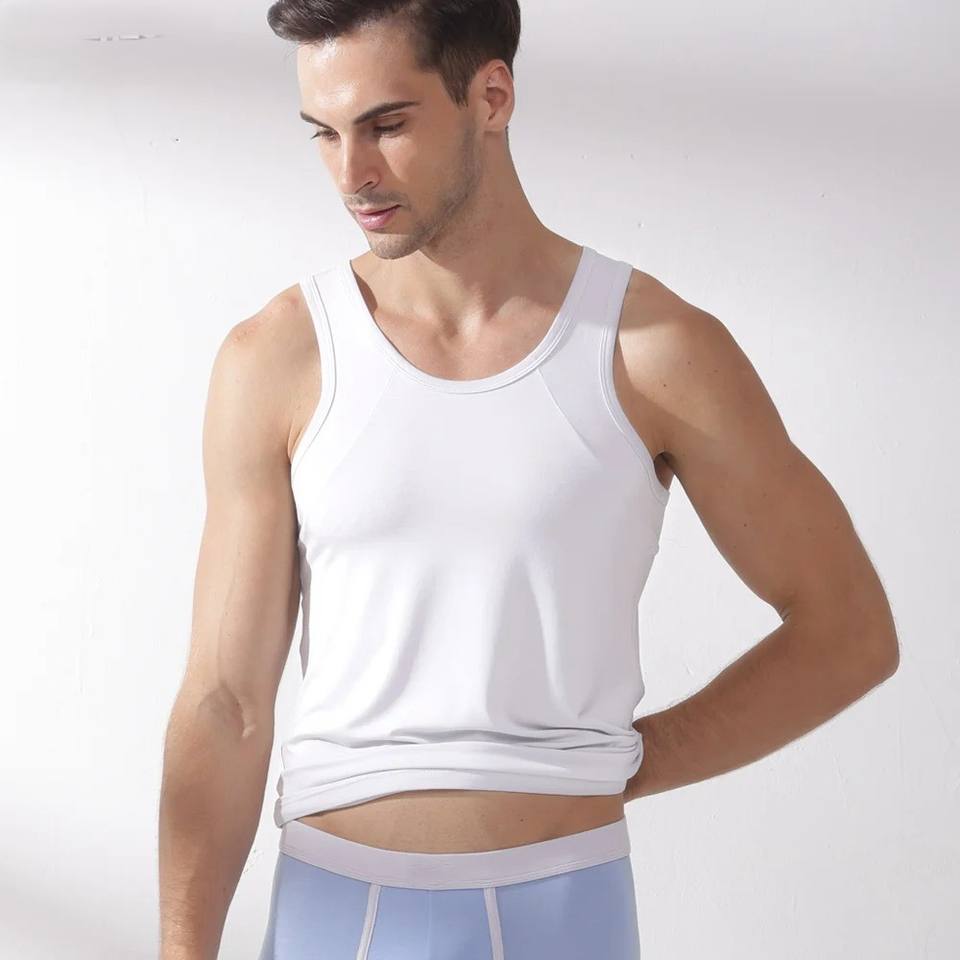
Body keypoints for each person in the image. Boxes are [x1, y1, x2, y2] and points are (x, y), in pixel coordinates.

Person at [157, 2, 900, 958]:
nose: (352, 173)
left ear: (491, 96)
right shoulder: (278, 359)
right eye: (325, 134)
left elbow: (849, 631)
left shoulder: (650, 349)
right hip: (335, 918)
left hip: (563, 912)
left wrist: (629, 761)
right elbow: (225, 702)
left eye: (386, 124)